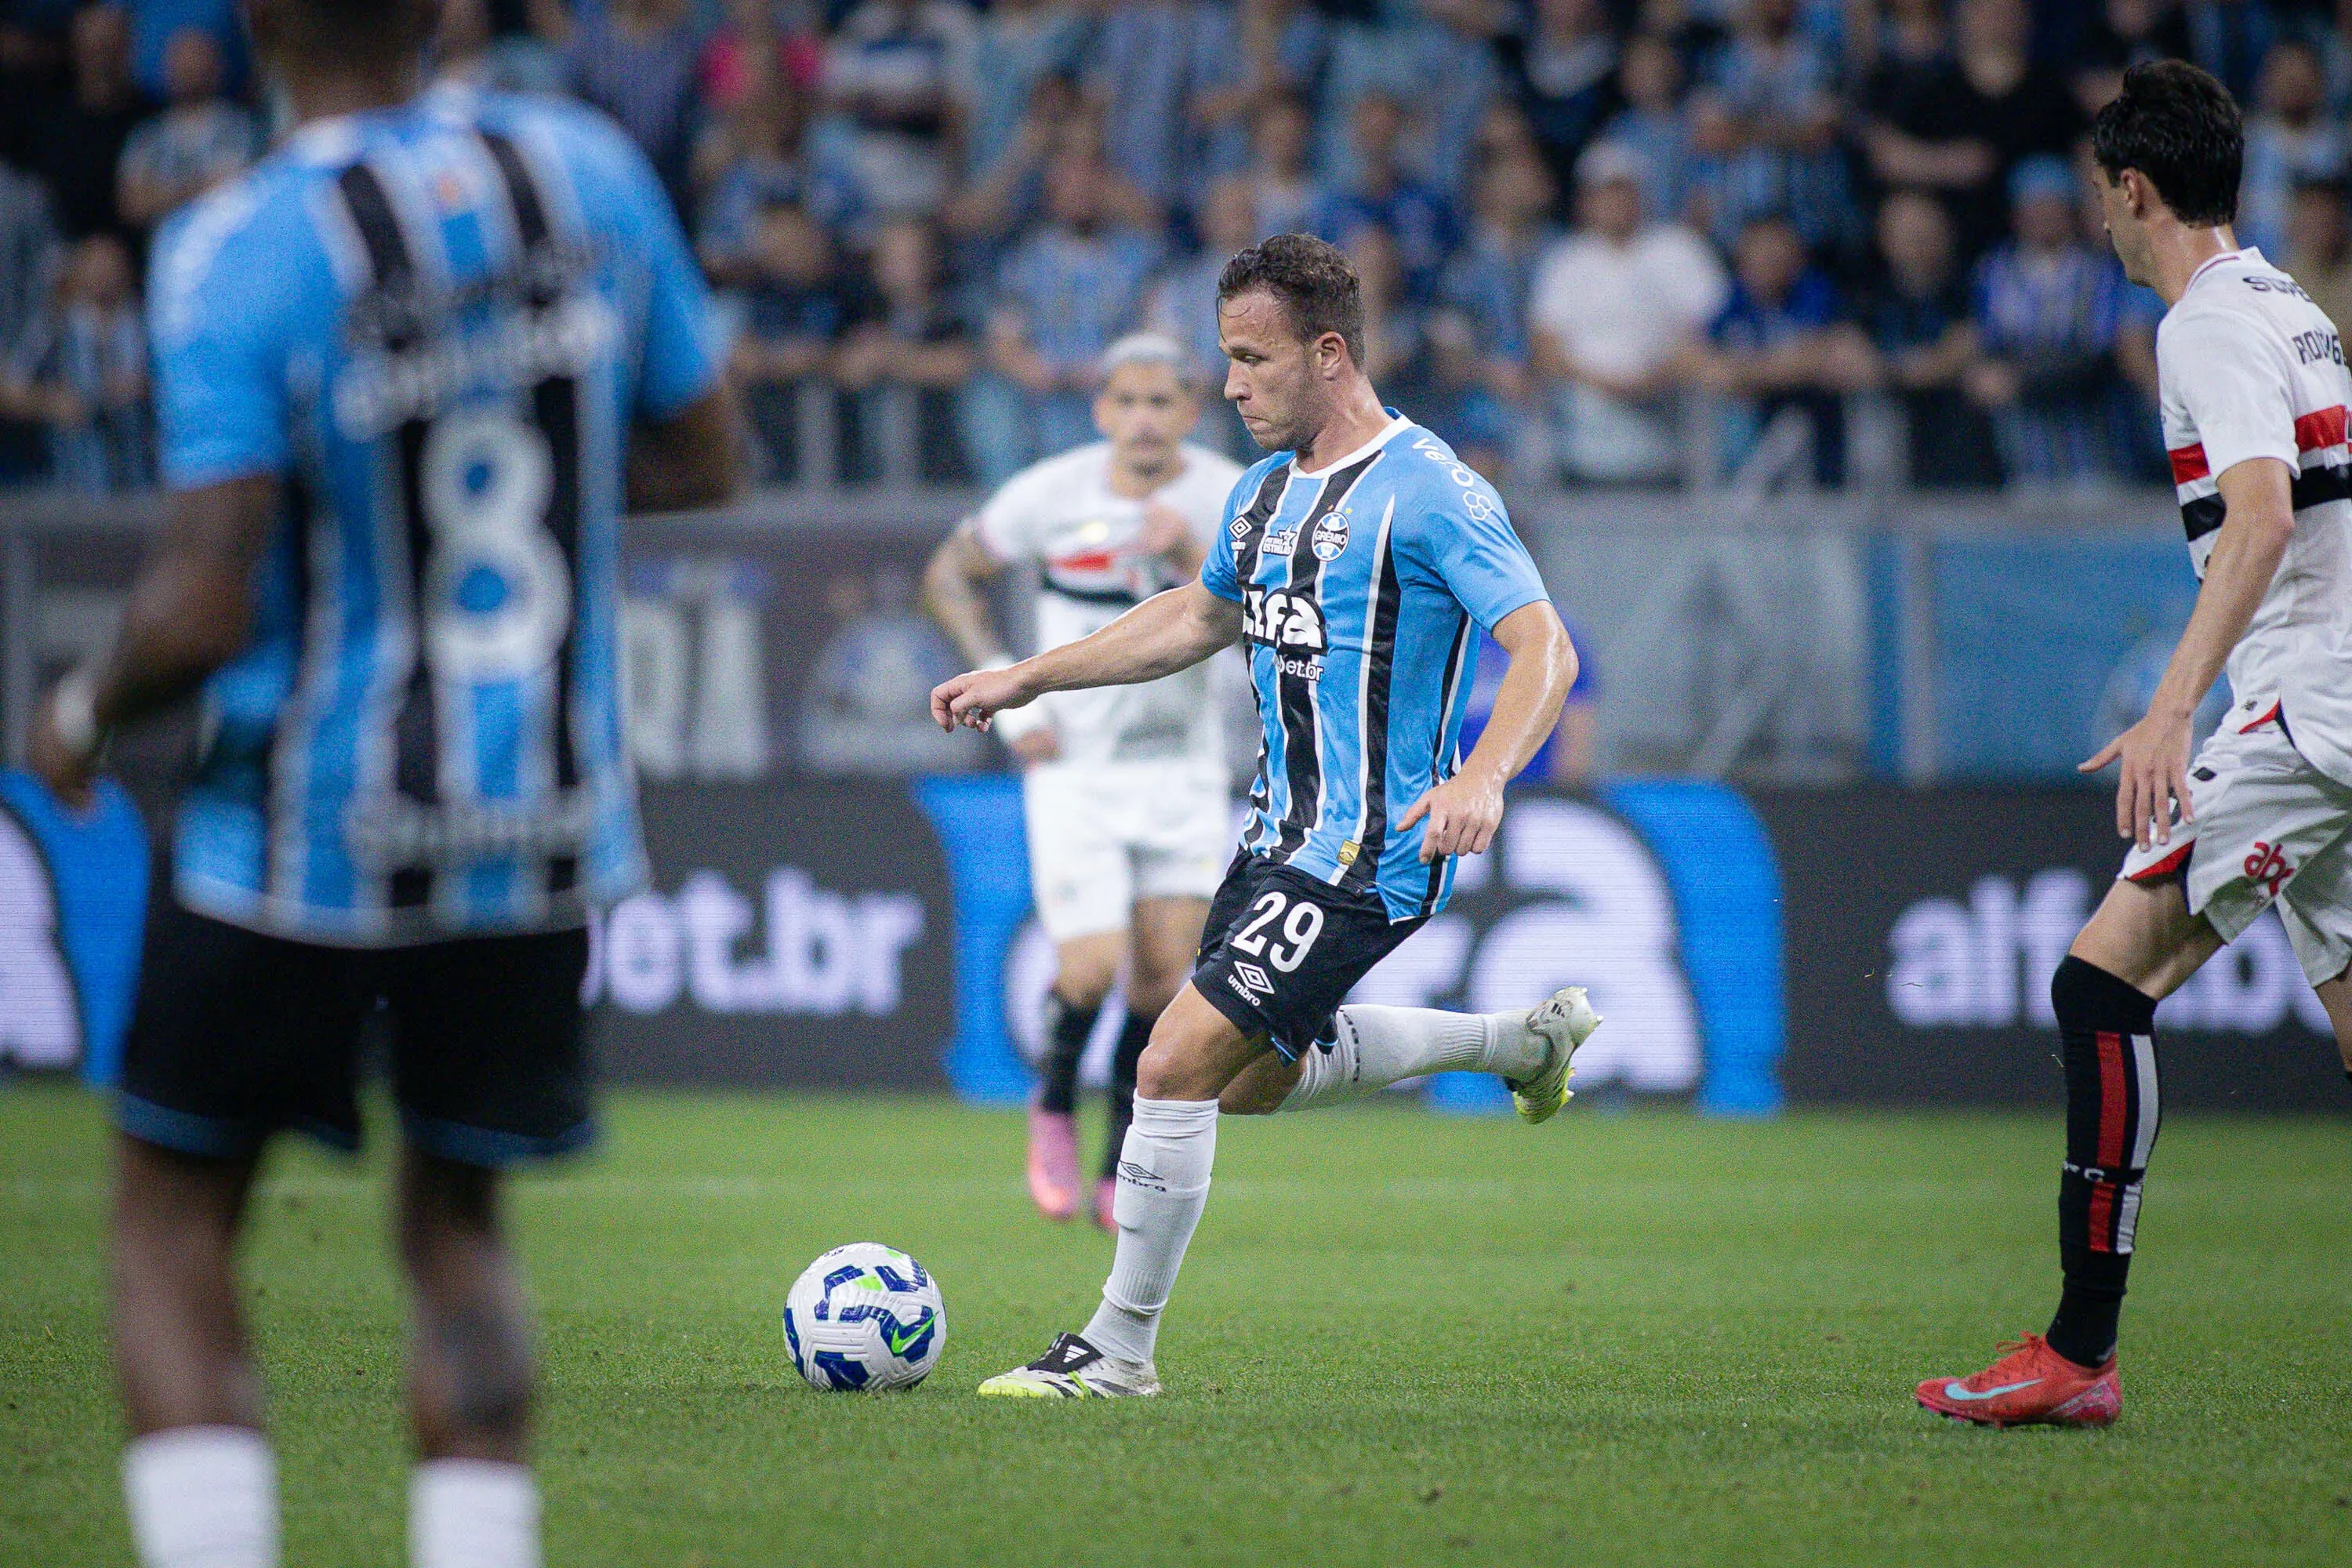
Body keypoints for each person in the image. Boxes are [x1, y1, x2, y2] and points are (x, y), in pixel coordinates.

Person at [22, 3, 741, 1563]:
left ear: (264, 24)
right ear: (438, 15)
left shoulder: (236, 242)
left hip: (304, 825)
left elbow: (202, 601)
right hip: (541, 822)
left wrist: (77, 709)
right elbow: (709, 456)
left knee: (171, 1210)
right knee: (459, 1222)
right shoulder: (588, 171)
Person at [932, 234, 1599, 1399]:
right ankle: (1517, 1044)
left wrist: (1485, 774)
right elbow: (1192, 621)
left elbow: (1543, 642)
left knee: (1173, 1061)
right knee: (1250, 1081)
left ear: (1329, 355)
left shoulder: (1432, 491)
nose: (1230, 386)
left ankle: (1116, 1351)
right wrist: (1029, 674)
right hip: (1271, 839)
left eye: (1252, 359)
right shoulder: (1261, 494)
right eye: (1226, 359)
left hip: (1368, 850)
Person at [1917, 60, 2352, 1430]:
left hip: (2310, 709)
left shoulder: (2207, 325)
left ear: (2137, 189)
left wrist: (2176, 708)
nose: (2101, 223)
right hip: (2338, 699)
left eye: (2105, 198)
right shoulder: (2297, 306)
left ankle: (2079, 1352)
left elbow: (2266, 514)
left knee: (2100, 984)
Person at [921, 332, 1243, 1230]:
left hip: (1181, 765)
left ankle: (1118, 1154)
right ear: (1102, 412)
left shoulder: (1227, 496)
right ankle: (1055, 1102)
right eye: (1126, 402)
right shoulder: (1050, 492)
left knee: (1157, 979)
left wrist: (1191, 560)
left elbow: (1272, 622)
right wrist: (1012, 698)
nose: (1144, 420)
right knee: (1091, 968)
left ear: (1191, 409)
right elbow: (947, 575)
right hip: (1077, 768)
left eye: (1162, 402)